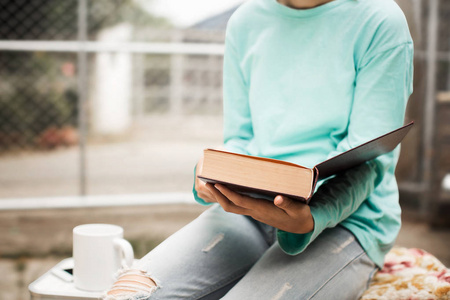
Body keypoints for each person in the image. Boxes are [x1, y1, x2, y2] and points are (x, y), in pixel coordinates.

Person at [104, 0, 413, 298]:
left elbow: (371, 157)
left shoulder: (380, 20)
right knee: (131, 292)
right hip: (250, 209)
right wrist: (216, 172)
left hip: (349, 222)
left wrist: (312, 216)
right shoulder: (246, 20)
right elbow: (240, 138)